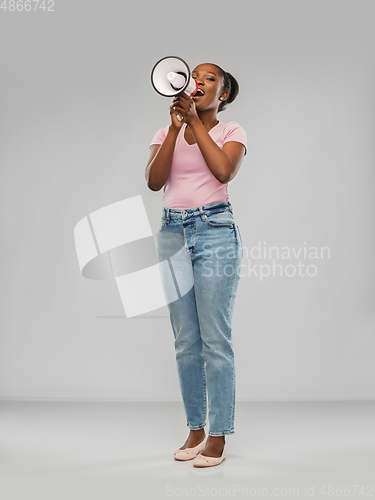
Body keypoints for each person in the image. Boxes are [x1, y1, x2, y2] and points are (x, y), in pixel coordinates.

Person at [145, 62, 247, 467]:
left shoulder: (230, 131)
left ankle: (219, 434)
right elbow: (154, 181)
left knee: (215, 339)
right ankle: (195, 428)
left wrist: (195, 124)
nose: (199, 82)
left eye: (209, 79)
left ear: (221, 94)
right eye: (195, 77)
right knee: (186, 340)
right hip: (172, 233)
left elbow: (224, 170)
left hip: (214, 232)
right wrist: (174, 128)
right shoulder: (163, 131)